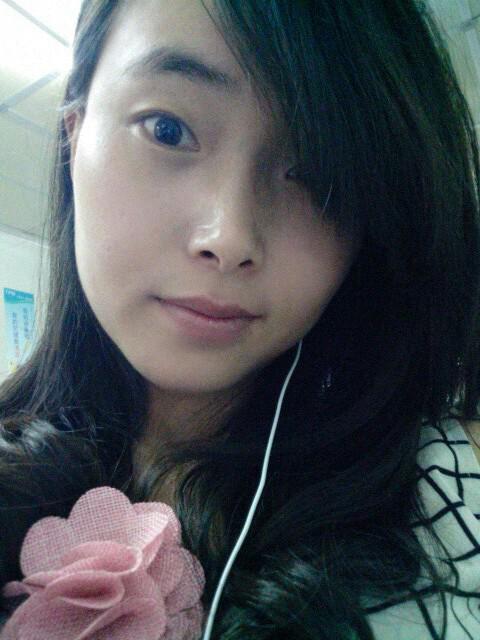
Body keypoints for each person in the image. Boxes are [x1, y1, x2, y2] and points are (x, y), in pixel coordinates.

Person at [0, 0, 479, 638]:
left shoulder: (447, 492)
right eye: (168, 128)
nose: (228, 238)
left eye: (317, 171)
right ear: (76, 133)